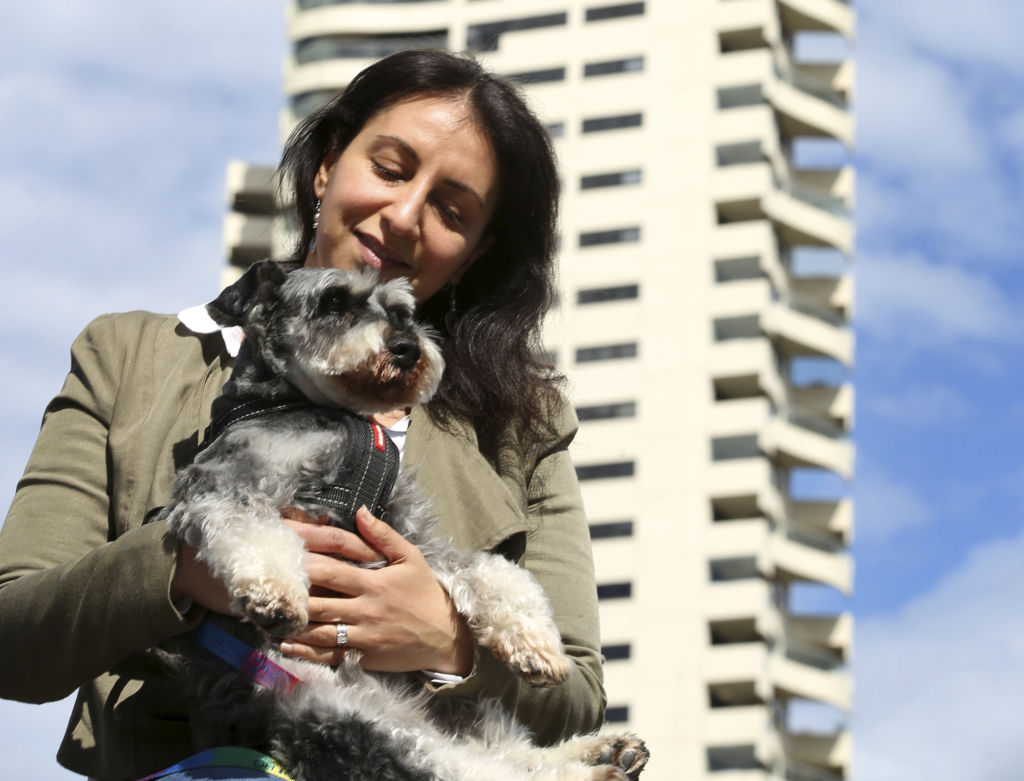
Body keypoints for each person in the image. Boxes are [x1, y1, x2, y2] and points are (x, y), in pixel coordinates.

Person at [0, 49, 604, 780]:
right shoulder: (127, 357)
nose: (405, 216)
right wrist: (182, 569)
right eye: (389, 168)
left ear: (476, 251)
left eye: (452, 210)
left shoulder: (523, 426)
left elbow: (575, 692)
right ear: (325, 165)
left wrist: (448, 642)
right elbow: (13, 637)